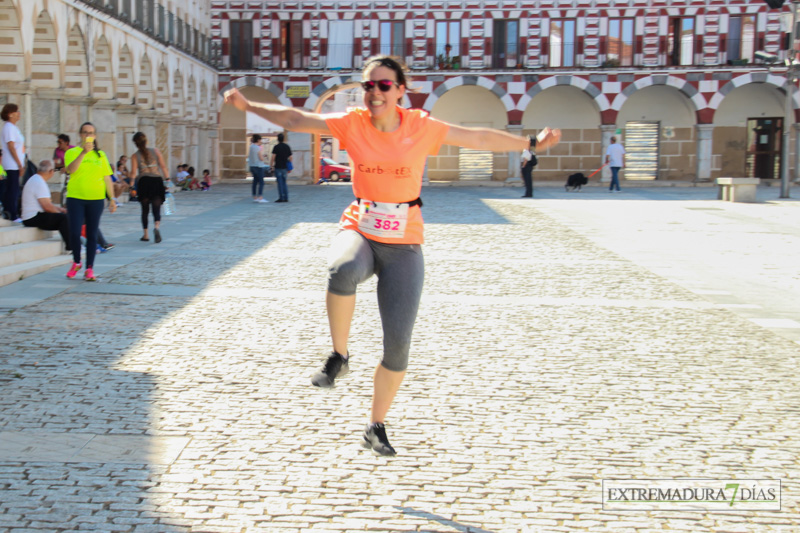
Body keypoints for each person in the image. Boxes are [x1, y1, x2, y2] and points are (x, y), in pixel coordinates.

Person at [224, 55, 561, 456]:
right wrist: (248, 107)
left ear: (401, 90)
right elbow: (295, 120)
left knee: (398, 346)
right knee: (342, 269)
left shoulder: (422, 126)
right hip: (362, 225)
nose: (375, 92)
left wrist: (532, 143)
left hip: (405, 239)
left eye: (384, 85)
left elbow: (478, 139)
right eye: (369, 85)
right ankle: (339, 355)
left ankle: (375, 425)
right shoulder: (352, 122)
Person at [64, 122, 117, 281]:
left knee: (92, 233)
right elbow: (70, 170)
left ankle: (89, 268)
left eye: (91, 133)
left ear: (95, 136)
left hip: (95, 199)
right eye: (86, 132)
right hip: (76, 197)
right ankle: (77, 261)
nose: (88, 135)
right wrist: (83, 154)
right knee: (74, 232)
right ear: (80, 135)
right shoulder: (72, 152)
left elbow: (107, 178)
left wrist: (112, 198)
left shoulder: (100, 155)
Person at [21, 159, 70, 251]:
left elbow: (47, 204)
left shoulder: (36, 179)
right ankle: (71, 246)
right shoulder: (39, 182)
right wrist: (60, 214)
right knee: (64, 219)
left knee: (64, 217)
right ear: (51, 171)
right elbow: (47, 207)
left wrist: (60, 210)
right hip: (32, 218)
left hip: (32, 216)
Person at [130, 131, 168, 243]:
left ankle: (145, 235)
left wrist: (132, 186)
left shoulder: (135, 156)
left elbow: (133, 173)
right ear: (146, 141)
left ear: (135, 143)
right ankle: (156, 227)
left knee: (145, 209)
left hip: (144, 181)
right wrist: (168, 180)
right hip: (156, 180)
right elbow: (163, 166)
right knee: (157, 207)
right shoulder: (155, 151)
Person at [2, 103, 26, 222]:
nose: (19, 113)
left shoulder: (13, 127)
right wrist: (19, 164)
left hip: (15, 164)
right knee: (13, 189)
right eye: (16, 111)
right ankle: (12, 213)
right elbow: (11, 146)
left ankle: (11, 212)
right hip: (11, 164)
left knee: (14, 189)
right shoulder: (8, 127)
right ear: (10, 114)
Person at [271, 133, 292, 202]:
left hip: (278, 167)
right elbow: (291, 157)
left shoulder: (276, 147)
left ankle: (281, 197)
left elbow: (273, 157)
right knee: (284, 182)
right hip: (285, 167)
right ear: (283, 139)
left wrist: (271, 166)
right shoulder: (287, 147)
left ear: (278, 139)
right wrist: (289, 166)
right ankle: (286, 197)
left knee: (279, 183)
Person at [249, 134, 267, 202]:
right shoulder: (257, 147)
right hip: (258, 166)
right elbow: (261, 158)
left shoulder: (251, 146)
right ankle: (260, 197)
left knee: (255, 182)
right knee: (261, 182)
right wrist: (263, 157)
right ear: (258, 140)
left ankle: (255, 197)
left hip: (252, 166)